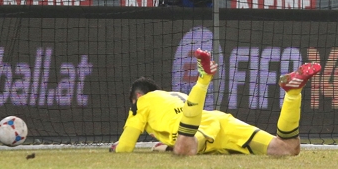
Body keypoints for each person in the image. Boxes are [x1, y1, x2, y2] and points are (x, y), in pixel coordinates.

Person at [111, 48, 322, 155]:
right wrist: (162, 147)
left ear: (137, 97)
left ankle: (203, 80)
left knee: (185, 148)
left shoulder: (141, 103)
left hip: (196, 129)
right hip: (218, 121)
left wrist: (116, 148)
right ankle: (293, 94)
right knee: (287, 148)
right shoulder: (171, 96)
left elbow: (126, 147)